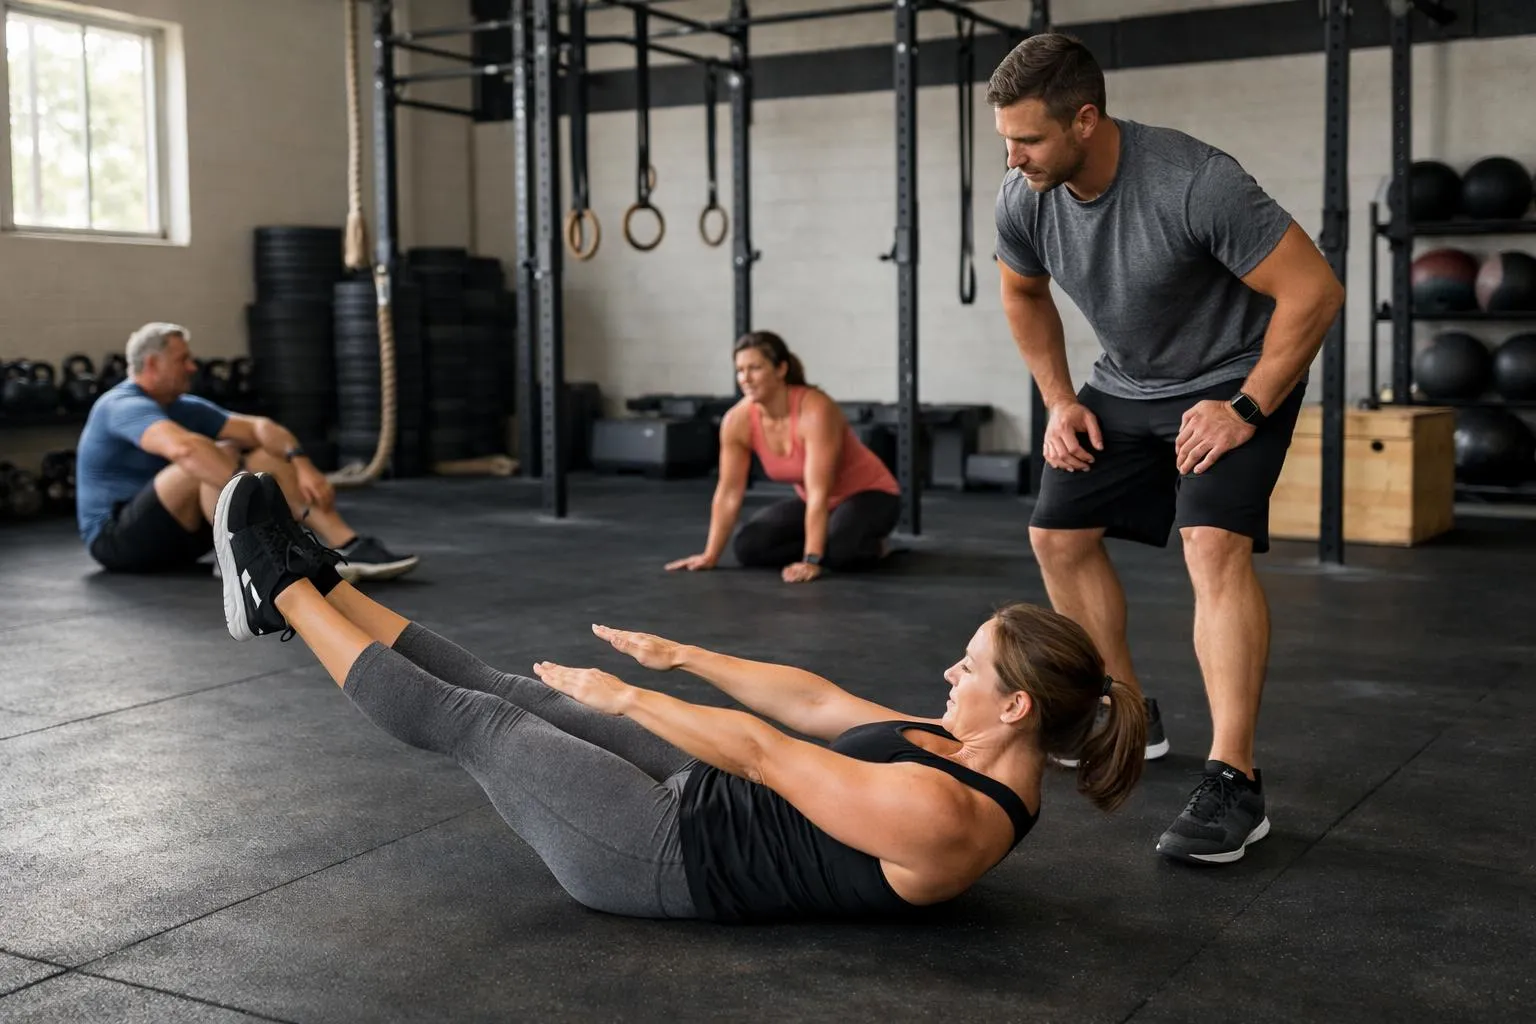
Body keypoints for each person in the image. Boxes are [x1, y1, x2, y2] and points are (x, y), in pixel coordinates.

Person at [211, 470, 1147, 922]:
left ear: (1017, 707)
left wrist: (624, 699)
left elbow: (767, 752)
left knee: (481, 722)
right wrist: (680, 654)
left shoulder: (949, 816)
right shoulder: (963, 745)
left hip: (663, 857)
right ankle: (328, 588)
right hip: (702, 798)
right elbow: (814, 702)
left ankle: (277, 590)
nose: (949, 675)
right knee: (507, 688)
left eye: (970, 668)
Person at [987, 35, 1345, 865]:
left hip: (1236, 376)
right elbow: (1022, 290)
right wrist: (1061, 400)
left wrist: (1247, 407)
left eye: (1028, 139)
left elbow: (1314, 290)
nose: (1013, 157)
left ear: (1085, 119)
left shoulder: (1194, 181)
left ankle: (1235, 780)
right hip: (1128, 381)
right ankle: (1126, 710)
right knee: (1056, 533)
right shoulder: (1025, 193)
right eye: (1005, 139)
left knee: (1211, 544)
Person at [75, 322, 418, 581]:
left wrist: (302, 464)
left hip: (179, 536)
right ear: (152, 365)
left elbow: (260, 428)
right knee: (204, 453)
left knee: (261, 451)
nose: (193, 367)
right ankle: (254, 558)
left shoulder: (182, 405)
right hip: (117, 542)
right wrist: (257, 498)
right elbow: (184, 449)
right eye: (184, 360)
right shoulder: (120, 405)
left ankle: (347, 544)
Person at [667, 332, 902, 584]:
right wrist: (710, 555)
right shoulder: (737, 421)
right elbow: (728, 492)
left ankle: (873, 545)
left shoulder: (815, 410)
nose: (745, 378)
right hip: (820, 503)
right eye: (740, 370)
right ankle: (830, 539)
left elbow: (818, 491)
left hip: (871, 494)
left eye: (755, 368)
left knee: (840, 553)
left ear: (781, 369)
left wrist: (811, 560)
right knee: (749, 546)